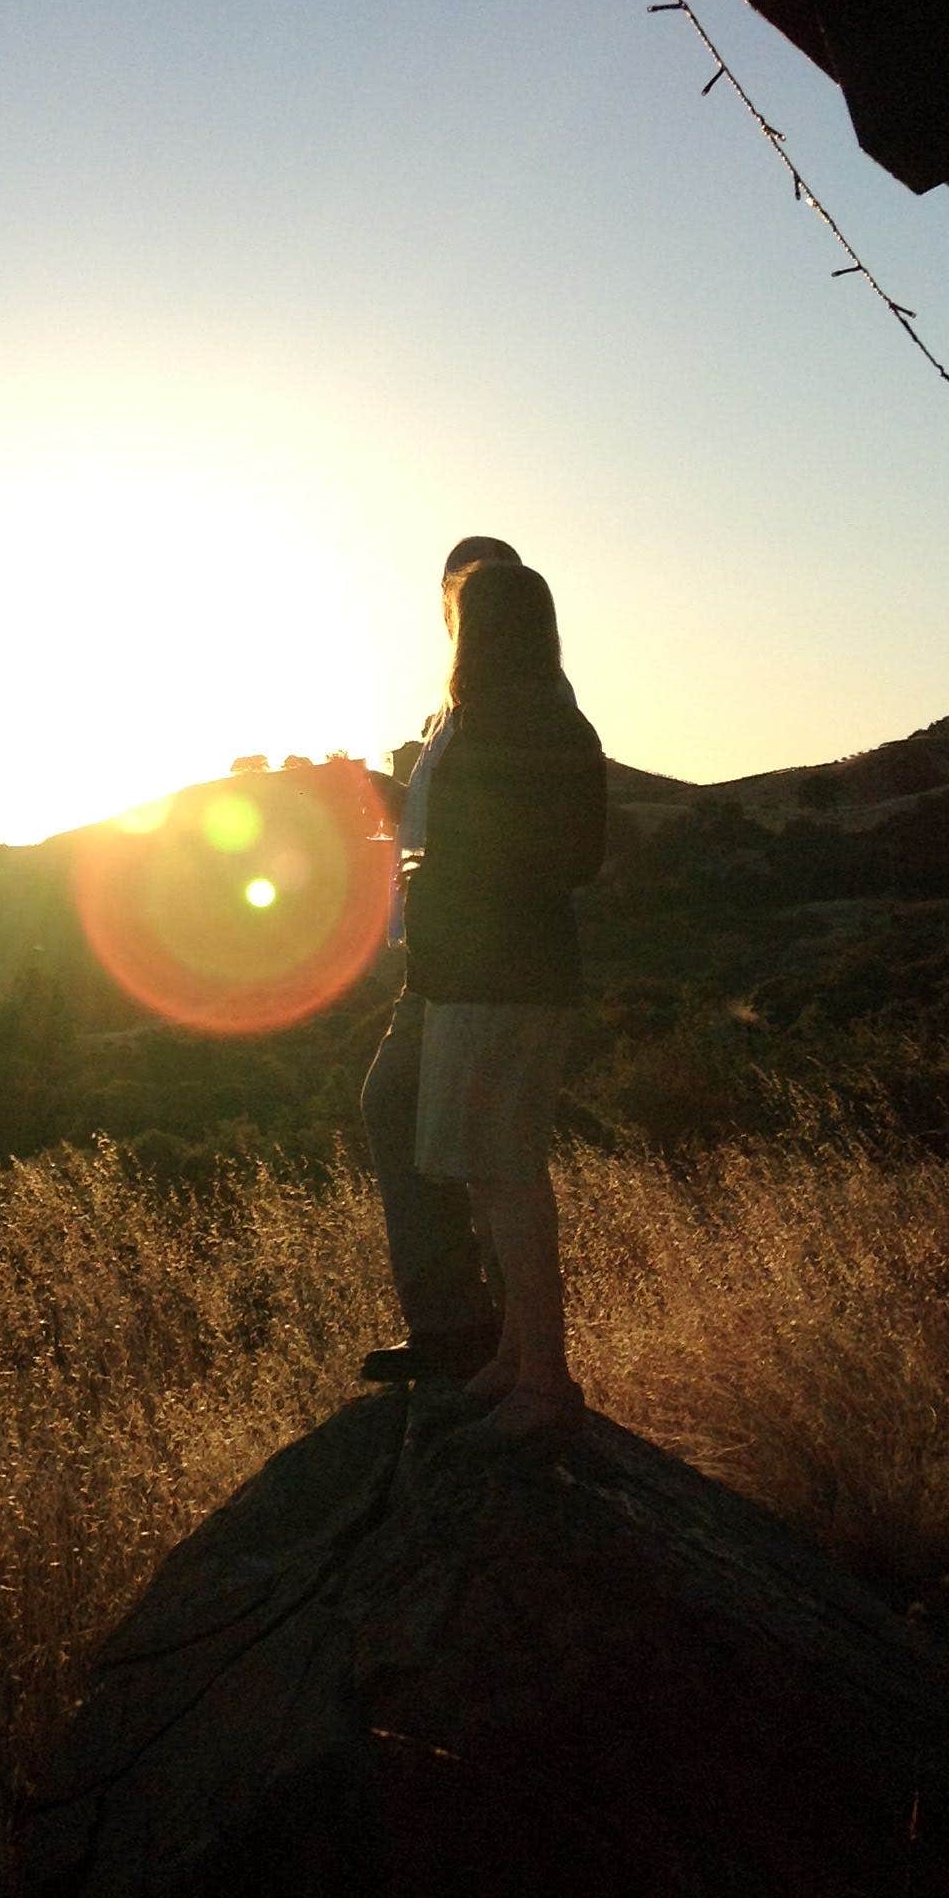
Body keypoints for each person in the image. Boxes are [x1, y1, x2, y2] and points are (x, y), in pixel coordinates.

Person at [360, 553, 606, 1451]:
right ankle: (506, 1354)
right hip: (474, 972)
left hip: (499, 974)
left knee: (505, 1175)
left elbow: (565, 854)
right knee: (482, 1164)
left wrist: (453, 867)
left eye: (459, 609)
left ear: (485, 625)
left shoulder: (526, 719)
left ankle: (545, 1381)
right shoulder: (492, 716)